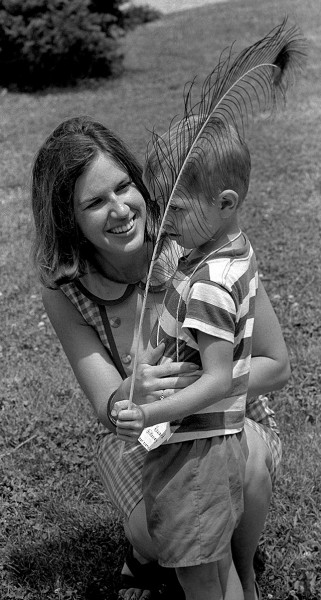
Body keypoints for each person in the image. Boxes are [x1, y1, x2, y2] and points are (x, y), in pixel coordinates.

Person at [31, 116, 289, 600]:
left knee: (236, 474)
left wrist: (197, 389)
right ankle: (157, 553)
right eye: (94, 202)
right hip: (143, 433)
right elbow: (109, 405)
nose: (121, 209)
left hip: (228, 416)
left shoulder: (192, 235)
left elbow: (276, 364)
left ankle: (241, 568)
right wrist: (132, 395)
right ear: (70, 219)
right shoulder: (66, 288)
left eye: (124, 186)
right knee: (164, 525)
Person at [111, 118, 274, 599]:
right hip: (212, 447)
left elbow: (218, 379)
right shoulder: (226, 253)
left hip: (196, 454)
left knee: (197, 574)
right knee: (213, 564)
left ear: (226, 203)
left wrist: (148, 412)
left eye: (176, 208)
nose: (163, 220)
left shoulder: (208, 281)